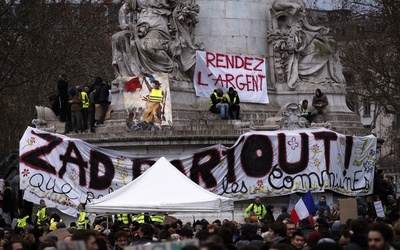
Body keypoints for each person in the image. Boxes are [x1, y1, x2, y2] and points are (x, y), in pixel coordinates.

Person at [270, 0, 346, 88]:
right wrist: (291, 4)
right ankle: (308, 75)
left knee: (331, 44)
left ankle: (323, 77)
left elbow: (306, 25)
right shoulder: (290, 3)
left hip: (302, 34)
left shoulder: (299, 3)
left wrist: (319, 29)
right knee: (320, 47)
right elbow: (276, 4)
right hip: (292, 35)